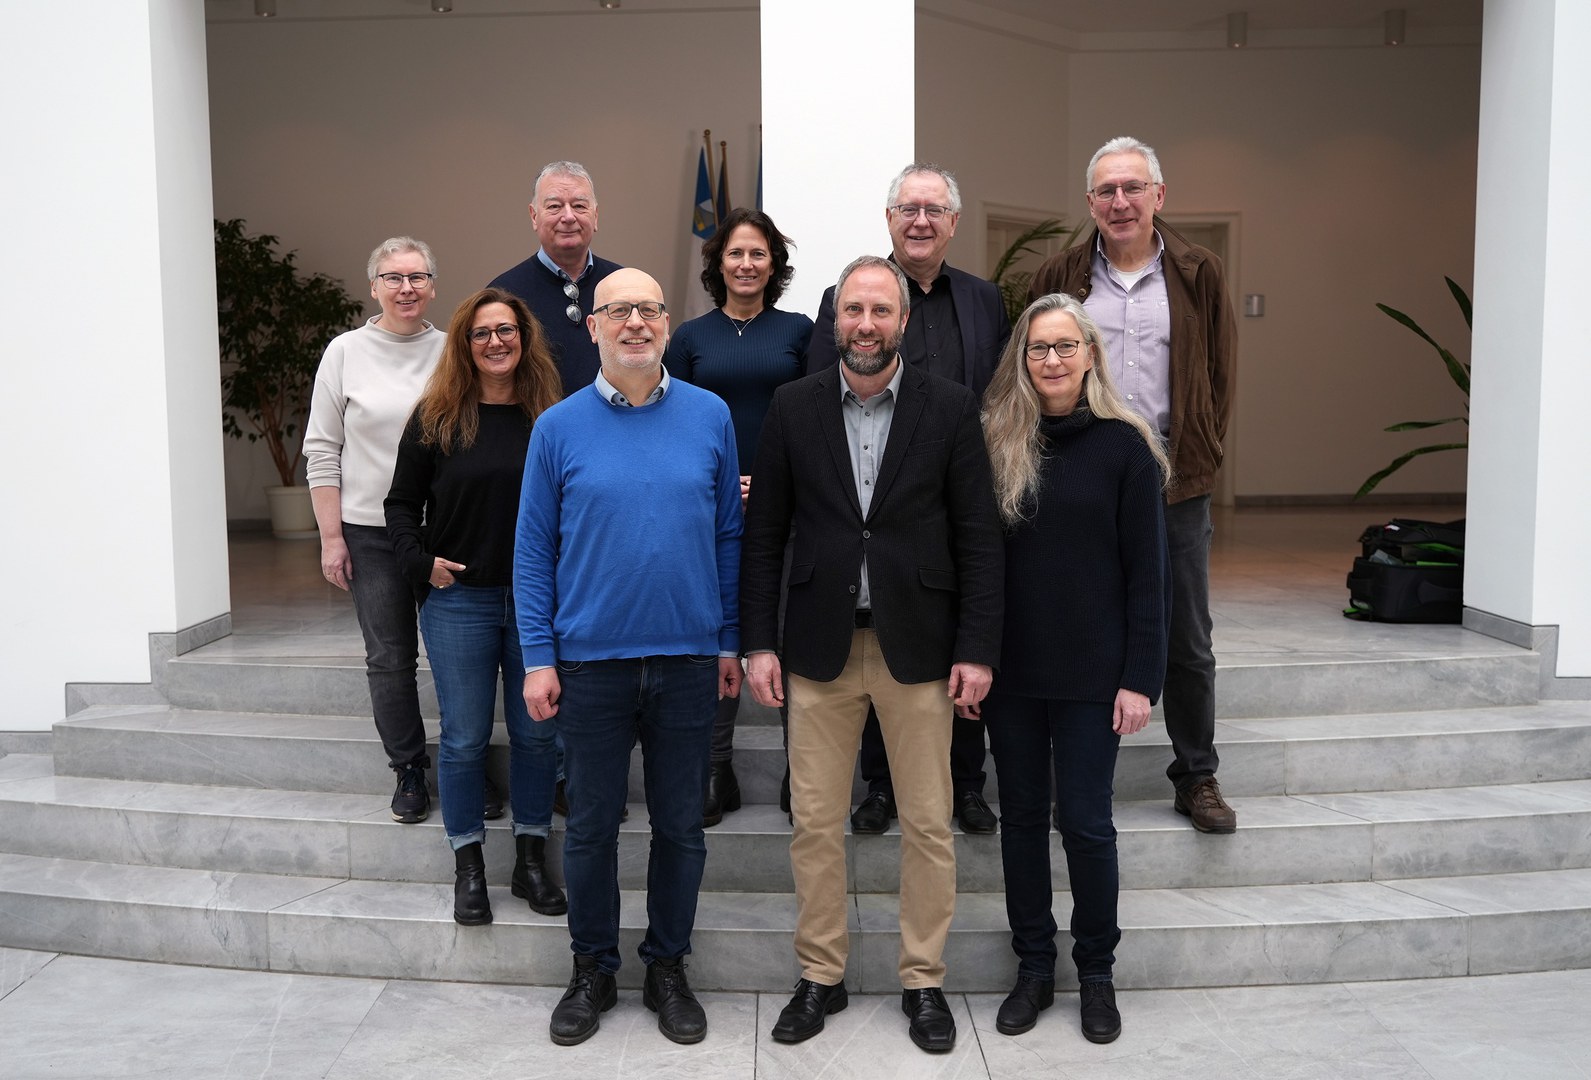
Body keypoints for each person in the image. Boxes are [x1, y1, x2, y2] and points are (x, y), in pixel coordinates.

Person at [743, 256, 1004, 1054]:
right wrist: (756, 640)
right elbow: (763, 538)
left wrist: (977, 649)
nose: (864, 324)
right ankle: (820, 976)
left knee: (927, 824)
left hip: (918, 650)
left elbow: (978, 540)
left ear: (903, 322)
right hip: (817, 648)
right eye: (851, 310)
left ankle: (921, 981)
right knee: (815, 825)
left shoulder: (952, 408)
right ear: (834, 321)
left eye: (879, 311)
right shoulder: (792, 407)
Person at [515, 268, 743, 1047]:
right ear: (594, 327)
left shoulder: (711, 416)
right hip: (589, 664)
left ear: (667, 322)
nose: (635, 323)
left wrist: (728, 638)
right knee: (589, 832)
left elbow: (727, 537)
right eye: (619, 311)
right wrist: (538, 656)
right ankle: (592, 968)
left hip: (686, 662)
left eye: (648, 309)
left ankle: (667, 967)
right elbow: (532, 552)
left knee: (682, 827)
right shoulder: (557, 428)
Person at [1029, 135, 1238, 834]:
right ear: (1089, 202)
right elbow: (1037, 368)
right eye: (1106, 191)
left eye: (1132, 188)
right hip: (1083, 477)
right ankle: (1074, 778)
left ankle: (1196, 774)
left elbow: (1218, 375)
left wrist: (1201, 447)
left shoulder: (1197, 272)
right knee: (1076, 620)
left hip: (1173, 482)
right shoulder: (1059, 272)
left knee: (1186, 635)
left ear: (1157, 196)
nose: (1120, 202)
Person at [980, 293, 1170, 1043]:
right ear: (1021, 361)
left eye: (1065, 347)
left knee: (1086, 825)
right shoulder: (996, 440)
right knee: (1021, 822)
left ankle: (1096, 973)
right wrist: (976, 663)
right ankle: (1033, 968)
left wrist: (1139, 679)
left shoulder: (1127, 447)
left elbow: (1148, 578)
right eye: (1037, 349)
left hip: (1096, 676)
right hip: (1013, 674)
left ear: (1090, 354)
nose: (1051, 361)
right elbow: (981, 567)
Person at [806, 163, 1010, 837]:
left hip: (956, 503)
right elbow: (815, 397)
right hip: (873, 513)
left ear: (952, 222)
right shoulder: (848, 295)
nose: (919, 221)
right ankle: (878, 788)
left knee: (950, 647)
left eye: (933, 210)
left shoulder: (983, 301)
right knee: (874, 643)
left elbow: (1001, 396)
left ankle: (968, 785)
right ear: (888, 219)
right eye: (906, 209)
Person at [384, 288, 566, 926]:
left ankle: (531, 863)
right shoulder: (435, 418)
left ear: (525, 339)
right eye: (482, 333)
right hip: (457, 601)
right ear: (465, 343)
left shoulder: (552, 415)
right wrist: (419, 563)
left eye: (507, 330)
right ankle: (468, 867)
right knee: (462, 741)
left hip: (536, 603)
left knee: (537, 738)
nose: (496, 342)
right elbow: (400, 506)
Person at [665, 207, 812, 827]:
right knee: (721, 634)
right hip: (710, 508)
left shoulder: (802, 331)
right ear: (717, 263)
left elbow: (816, 419)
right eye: (735, 253)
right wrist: (726, 481)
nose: (747, 264)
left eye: (759, 254)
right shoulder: (691, 339)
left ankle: (800, 771)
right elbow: (671, 424)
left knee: (789, 634)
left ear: (773, 263)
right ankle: (714, 769)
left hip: (793, 508)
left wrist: (772, 480)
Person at [306, 236, 459, 824]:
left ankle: (463, 766)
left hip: (442, 530)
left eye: (418, 277)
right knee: (391, 657)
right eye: (393, 278)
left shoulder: (453, 350)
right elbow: (322, 448)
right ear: (374, 287)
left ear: (432, 286)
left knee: (457, 656)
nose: (406, 288)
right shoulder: (345, 352)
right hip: (369, 533)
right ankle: (410, 769)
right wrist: (331, 537)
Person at [489, 160, 621, 398]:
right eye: (554, 206)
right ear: (534, 216)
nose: (568, 216)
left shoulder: (623, 286)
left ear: (596, 216)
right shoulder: (503, 295)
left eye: (579, 205)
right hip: (533, 431)